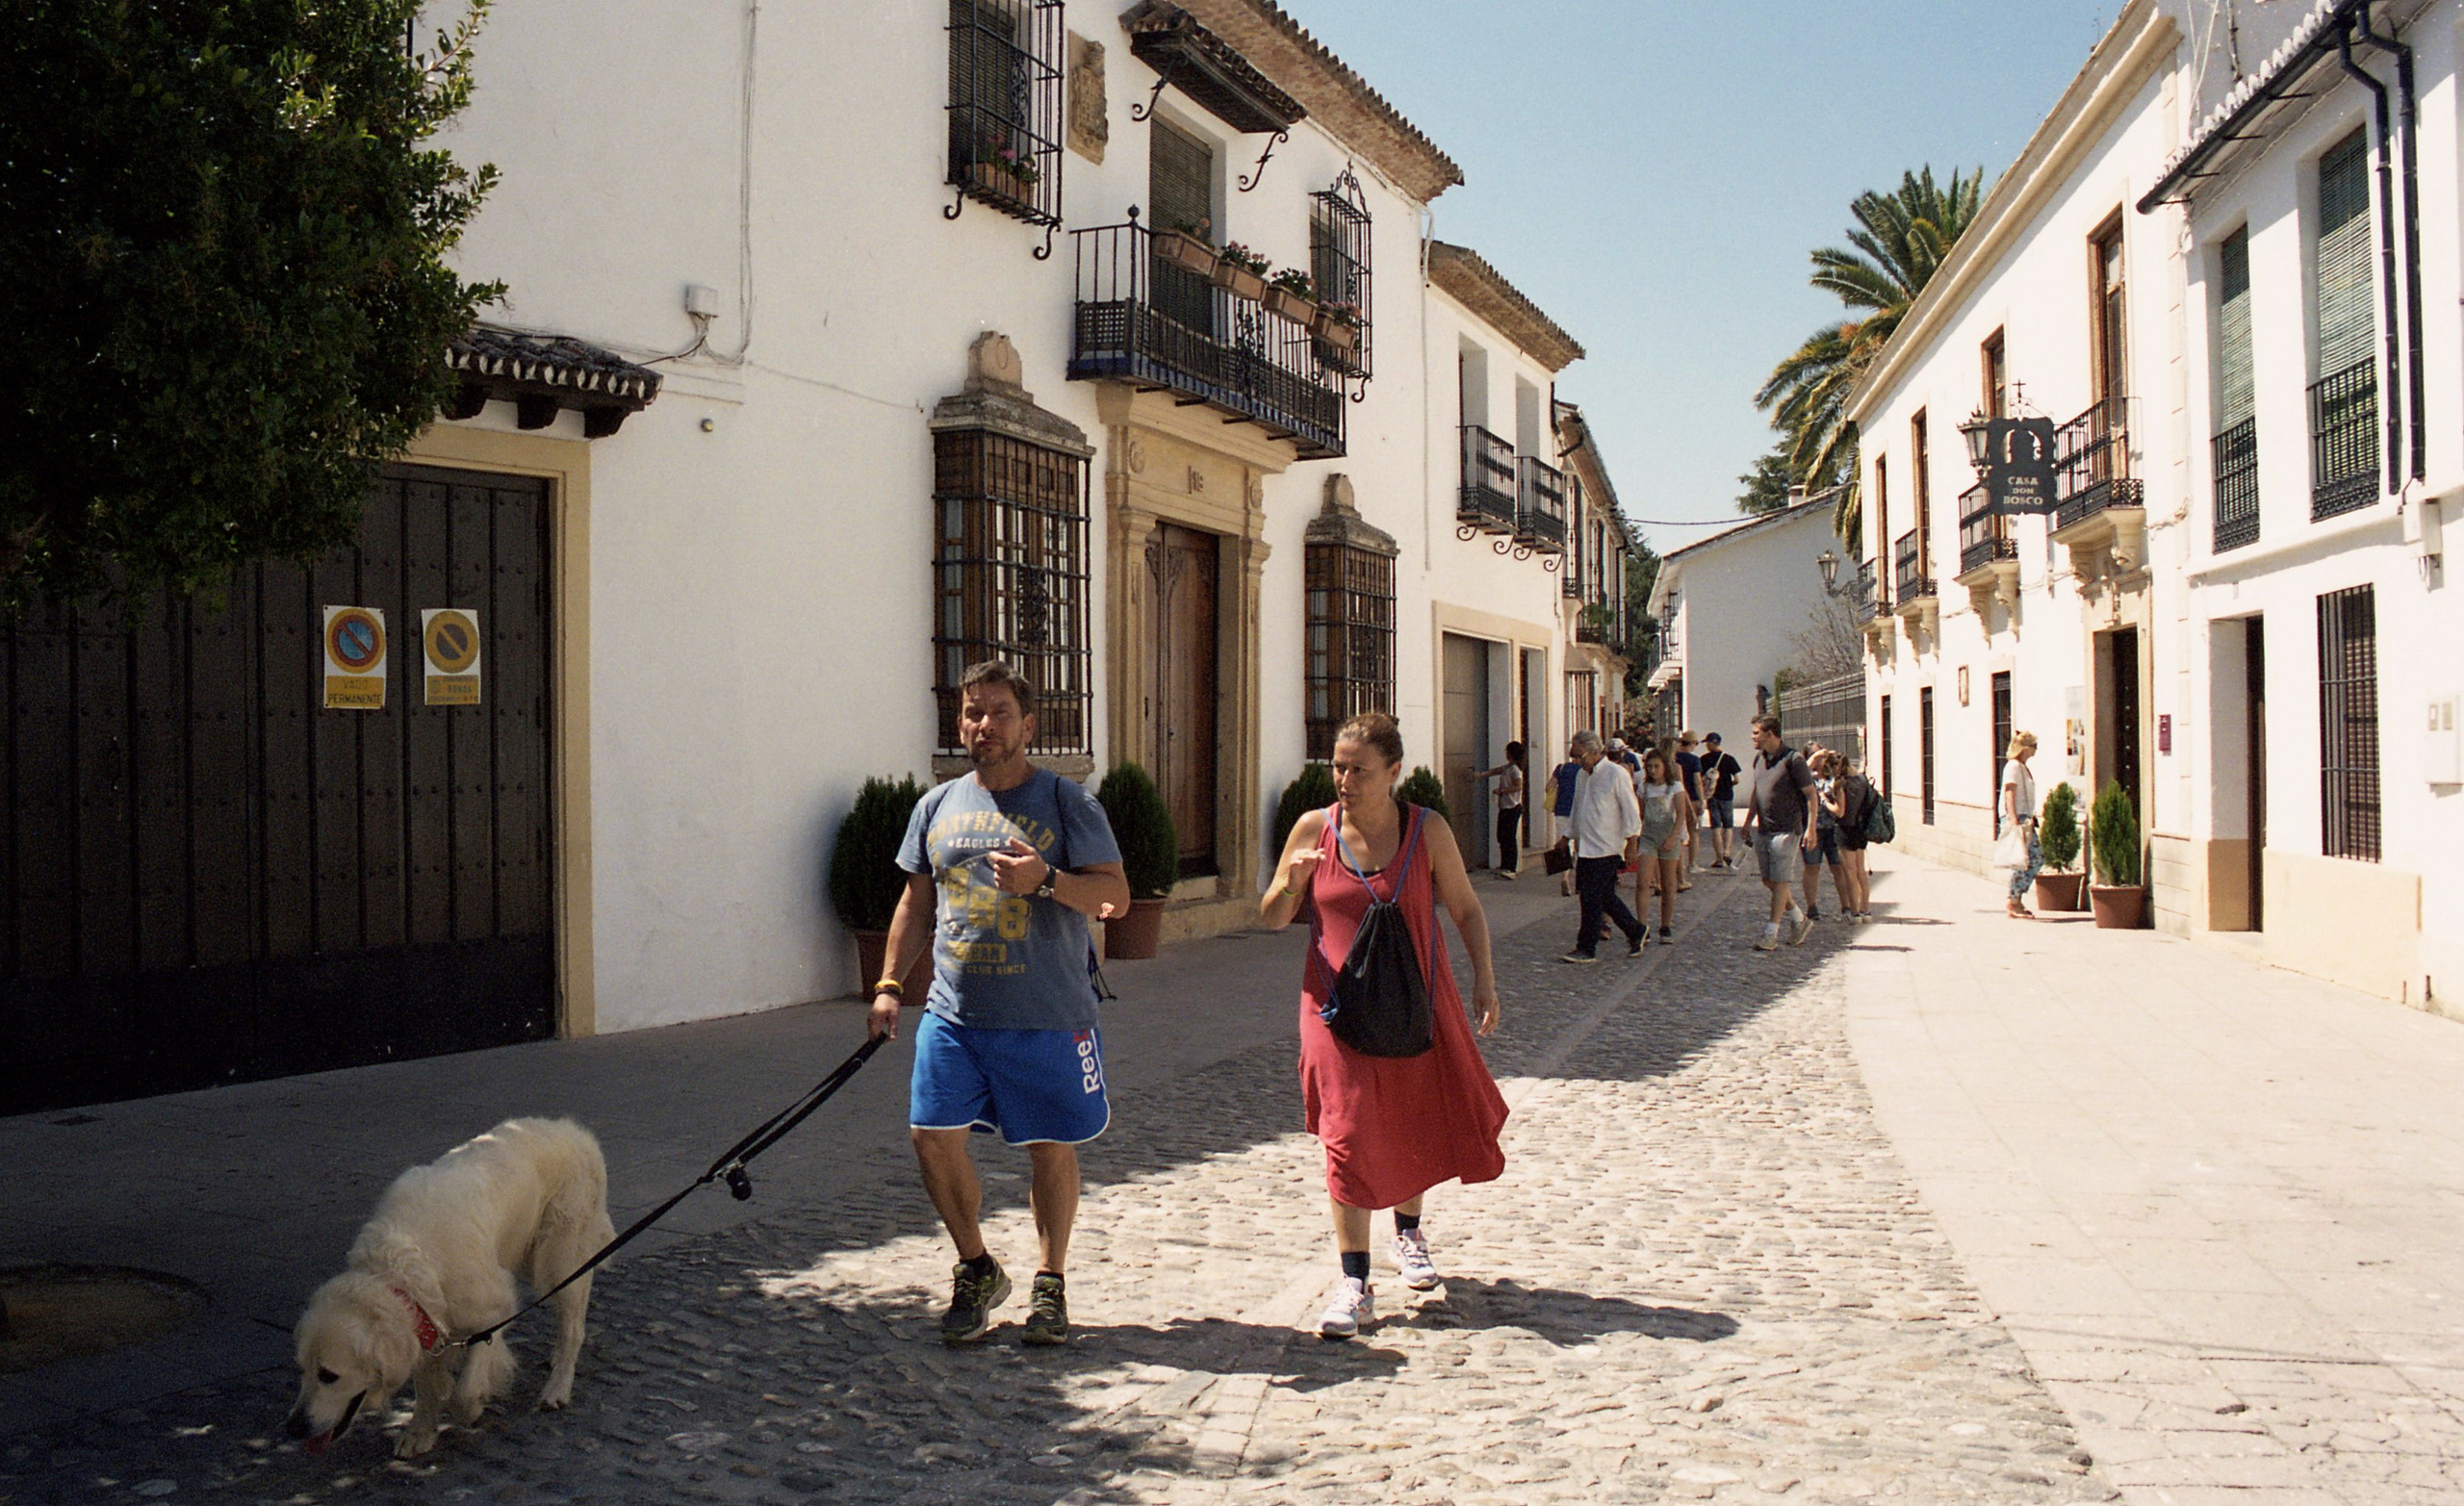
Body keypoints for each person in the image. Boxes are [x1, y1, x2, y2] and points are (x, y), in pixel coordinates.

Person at [868, 660, 1133, 1348]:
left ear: (1028, 725)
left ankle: (1050, 1282)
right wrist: (891, 984)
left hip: (1046, 1012)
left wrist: (1046, 881)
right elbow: (915, 900)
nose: (984, 725)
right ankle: (976, 1265)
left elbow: (1116, 899)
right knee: (931, 1137)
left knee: (1050, 1148)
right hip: (954, 1014)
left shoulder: (1068, 803)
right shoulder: (937, 805)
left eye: (999, 712)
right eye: (972, 713)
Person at [1260, 712, 1507, 1340]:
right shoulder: (1316, 827)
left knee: (1408, 1119)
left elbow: (1467, 907)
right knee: (1344, 1130)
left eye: (1357, 769)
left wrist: (1484, 976)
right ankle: (1353, 1281)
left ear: (1393, 771)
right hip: (1332, 1008)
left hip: (1409, 997)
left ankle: (1408, 1233)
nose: (1343, 779)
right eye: (1336, 767)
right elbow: (1270, 916)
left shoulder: (1428, 831)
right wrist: (1290, 880)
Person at [1558, 730, 1646, 962]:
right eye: (1573, 757)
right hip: (1586, 847)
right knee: (1604, 896)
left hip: (1607, 847)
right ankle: (1635, 930)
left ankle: (1586, 947)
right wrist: (1567, 836)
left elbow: (1630, 810)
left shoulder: (1616, 774)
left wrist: (1632, 842)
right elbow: (1578, 809)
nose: (1576, 761)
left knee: (1590, 898)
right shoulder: (1581, 776)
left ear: (1596, 752)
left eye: (1579, 756)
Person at [1738, 715, 1818, 951]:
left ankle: (1770, 933)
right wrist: (1749, 819)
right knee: (1769, 881)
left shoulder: (1794, 760)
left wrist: (1811, 828)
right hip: (1764, 829)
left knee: (1780, 881)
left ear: (1770, 734)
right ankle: (1799, 920)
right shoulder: (1759, 760)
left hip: (1786, 830)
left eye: (1756, 733)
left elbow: (1811, 795)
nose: (1753, 737)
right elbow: (1757, 791)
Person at [1633, 747, 1695, 944]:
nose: (1653, 770)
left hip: (1668, 836)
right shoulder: (1644, 788)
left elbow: (1680, 814)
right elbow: (1640, 814)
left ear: (1665, 767)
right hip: (1649, 836)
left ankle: (1665, 925)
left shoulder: (1675, 787)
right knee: (1643, 882)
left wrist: (1673, 837)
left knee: (1668, 884)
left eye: (1656, 766)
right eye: (1649, 766)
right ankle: (1642, 926)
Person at [1818, 751, 1875, 921]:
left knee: (1849, 873)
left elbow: (1840, 811)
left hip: (1844, 829)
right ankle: (1866, 910)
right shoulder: (1862, 779)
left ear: (1834, 766)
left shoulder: (1840, 783)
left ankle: (1854, 912)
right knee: (1861, 871)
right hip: (1860, 828)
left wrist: (1825, 801)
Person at [2000, 730, 2043, 920]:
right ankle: (2014, 900)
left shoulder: (2022, 767)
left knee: (2030, 858)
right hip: (2018, 817)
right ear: (2025, 748)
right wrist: (2013, 818)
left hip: (2025, 817)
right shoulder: (2013, 767)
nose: (2036, 750)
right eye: (2034, 746)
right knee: (2028, 858)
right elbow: (2009, 791)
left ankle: (2016, 899)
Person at [1472, 741, 1527, 881]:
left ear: (1511, 753)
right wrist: (1482, 775)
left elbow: (1518, 786)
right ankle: (1504, 865)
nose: (1506, 754)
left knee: (1509, 837)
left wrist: (1502, 791)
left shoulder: (1515, 770)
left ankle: (1511, 868)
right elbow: (1497, 770)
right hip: (1505, 807)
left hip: (1512, 807)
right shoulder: (1508, 767)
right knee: (1502, 836)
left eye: (1507, 751)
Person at [1701, 733, 1743, 869]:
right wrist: (1728, 784)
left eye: (1707, 742)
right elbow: (1737, 779)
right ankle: (1727, 852)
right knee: (1728, 826)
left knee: (1716, 826)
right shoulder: (1729, 759)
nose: (1706, 745)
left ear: (1712, 743)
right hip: (1727, 795)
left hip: (1712, 796)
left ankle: (1719, 858)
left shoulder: (1704, 759)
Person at [1548, 750, 1581, 897]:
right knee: (1581, 848)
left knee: (1563, 846)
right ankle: (1580, 882)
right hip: (1579, 812)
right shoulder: (1583, 771)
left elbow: (1549, 787)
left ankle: (1565, 879)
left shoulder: (1561, 768)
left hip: (1561, 810)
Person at [1675, 731, 1706, 881]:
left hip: (1675, 798)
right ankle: (1692, 864)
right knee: (1693, 832)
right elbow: (1697, 782)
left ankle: (1678, 864)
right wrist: (1702, 799)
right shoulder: (1693, 760)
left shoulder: (1673, 757)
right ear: (1692, 743)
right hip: (1691, 798)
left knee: (1678, 831)